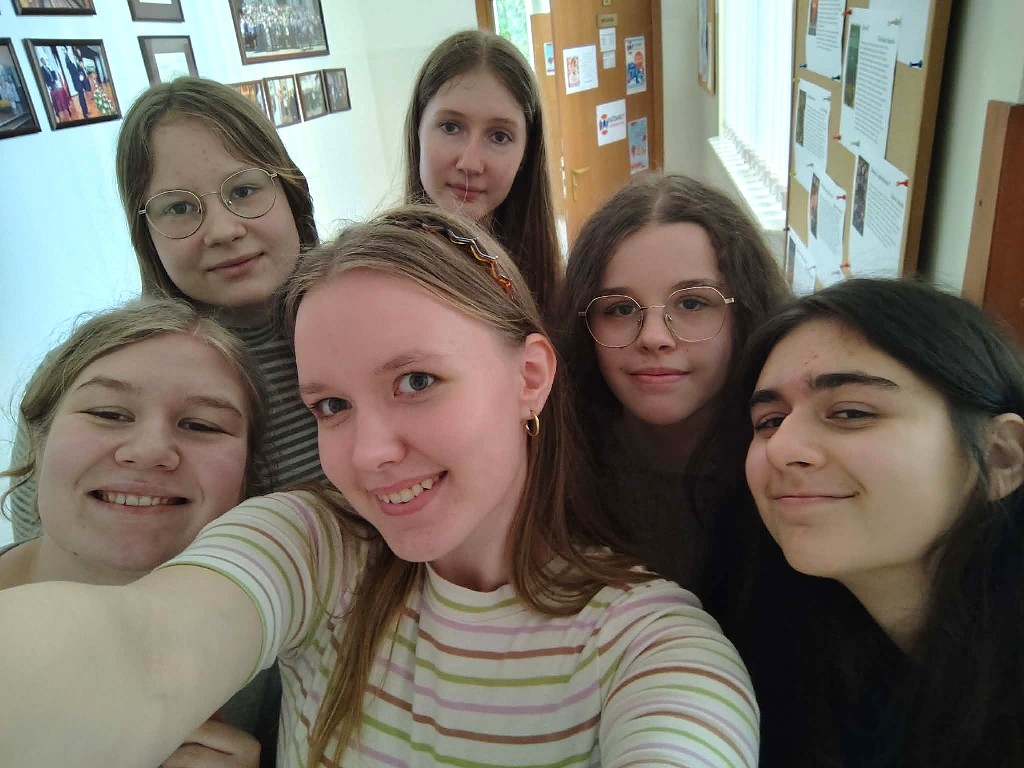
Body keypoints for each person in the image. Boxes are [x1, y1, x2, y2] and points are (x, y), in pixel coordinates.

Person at [0, 206, 759, 768]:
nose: (367, 454)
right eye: (332, 405)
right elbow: (145, 652)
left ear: (529, 376)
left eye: (416, 381)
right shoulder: (314, 546)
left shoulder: (651, 644)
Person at [8, 76, 323, 542]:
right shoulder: (88, 377)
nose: (223, 230)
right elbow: (45, 555)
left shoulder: (375, 318)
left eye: (243, 191)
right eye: (178, 208)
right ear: (147, 234)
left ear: (291, 195)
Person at [741, 278, 1024, 767]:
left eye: (851, 412)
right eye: (769, 421)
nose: (782, 448)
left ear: (1002, 457)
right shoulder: (795, 652)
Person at [0, 297, 279, 768]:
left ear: (246, 478)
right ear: (39, 443)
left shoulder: (282, 665)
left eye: (201, 425)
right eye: (109, 414)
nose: (149, 451)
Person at [557, 173, 789, 598]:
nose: (653, 337)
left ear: (745, 314)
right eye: (620, 309)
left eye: (692, 302)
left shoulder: (792, 462)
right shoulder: (555, 464)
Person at [404, 29, 562, 320]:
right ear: (418, 130)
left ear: (526, 154)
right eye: (451, 127)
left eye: (499, 136)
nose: (470, 163)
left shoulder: (557, 293)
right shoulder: (381, 279)